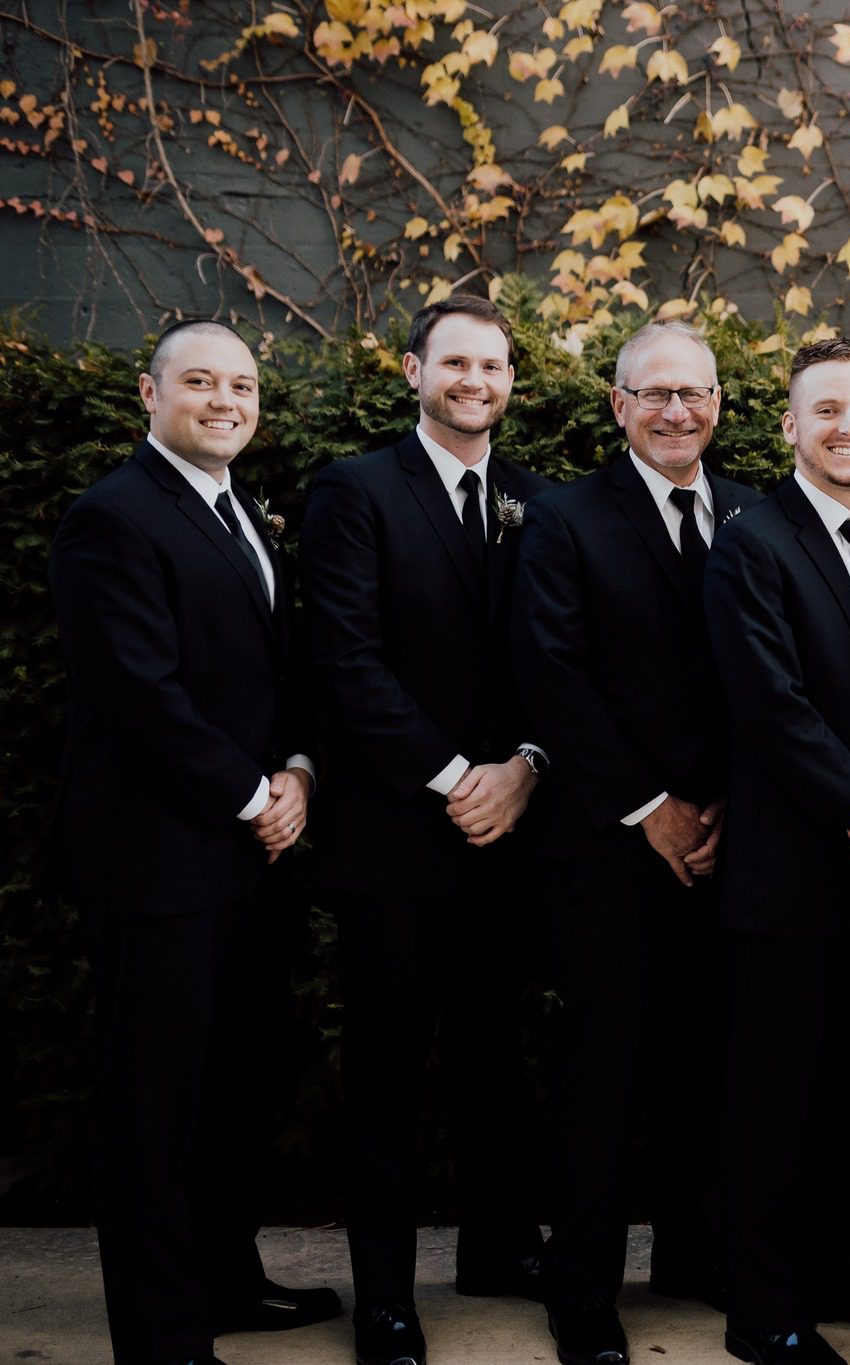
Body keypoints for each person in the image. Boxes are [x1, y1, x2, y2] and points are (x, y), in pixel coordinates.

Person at [49, 319, 338, 1365]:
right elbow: (140, 693)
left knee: (234, 1087)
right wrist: (250, 793)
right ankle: (163, 1332)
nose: (225, 400)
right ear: (148, 393)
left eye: (243, 384)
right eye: (201, 382)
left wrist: (300, 773)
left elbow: (279, 670)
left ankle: (224, 1279)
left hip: (248, 853)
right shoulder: (111, 517)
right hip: (159, 857)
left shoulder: (240, 513)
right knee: (155, 1105)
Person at [299, 293, 552, 1365]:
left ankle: (496, 1248)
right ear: (413, 372)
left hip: (511, 838)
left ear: (508, 382)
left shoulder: (537, 500)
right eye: (455, 363)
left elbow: (558, 660)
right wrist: (458, 778)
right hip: (398, 837)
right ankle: (387, 1297)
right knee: (392, 1073)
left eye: (491, 366)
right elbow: (345, 661)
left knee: (499, 1056)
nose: (474, 382)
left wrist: (529, 769)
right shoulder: (353, 491)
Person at [509, 320, 763, 1365]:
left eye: (693, 394)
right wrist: (649, 805)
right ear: (618, 405)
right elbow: (551, 676)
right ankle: (582, 1291)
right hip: (611, 849)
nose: (675, 412)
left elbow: (772, 674)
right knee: (604, 1075)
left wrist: (739, 805)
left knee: (711, 1062)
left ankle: (694, 1256)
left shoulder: (753, 511)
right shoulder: (566, 520)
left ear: (716, 403)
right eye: (653, 394)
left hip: (735, 843)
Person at [705, 338, 850, 1365]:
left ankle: (839, 1266)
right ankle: (762, 1302)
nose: (848, 426)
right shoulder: (751, 543)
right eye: (826, 410)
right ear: (789, 427)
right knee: (774, 1091)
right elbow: (768, 702)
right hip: (789, 874)